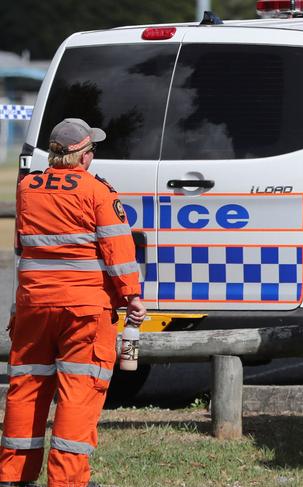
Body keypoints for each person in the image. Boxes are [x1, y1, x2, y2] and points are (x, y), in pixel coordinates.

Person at [0, 118, 146, 487]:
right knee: (78, 391)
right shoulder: (97, 192)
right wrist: (132, 296)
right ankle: (67, 481)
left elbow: (23, 245)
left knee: (27, 387)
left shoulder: (27, 187)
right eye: (91, 149)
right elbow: (118, 251)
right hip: (84, 309)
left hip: (34, 306)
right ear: (82, 156)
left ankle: (13, 477)